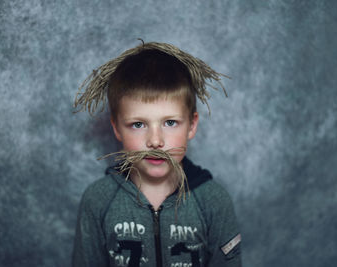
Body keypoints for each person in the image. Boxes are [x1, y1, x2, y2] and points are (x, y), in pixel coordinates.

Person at [72, 41, 242, 267]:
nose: (155, 141)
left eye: (170, 122)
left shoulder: (213, 202)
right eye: (138, 124)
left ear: (191, 125)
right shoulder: (98, 201)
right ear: (116, 128)